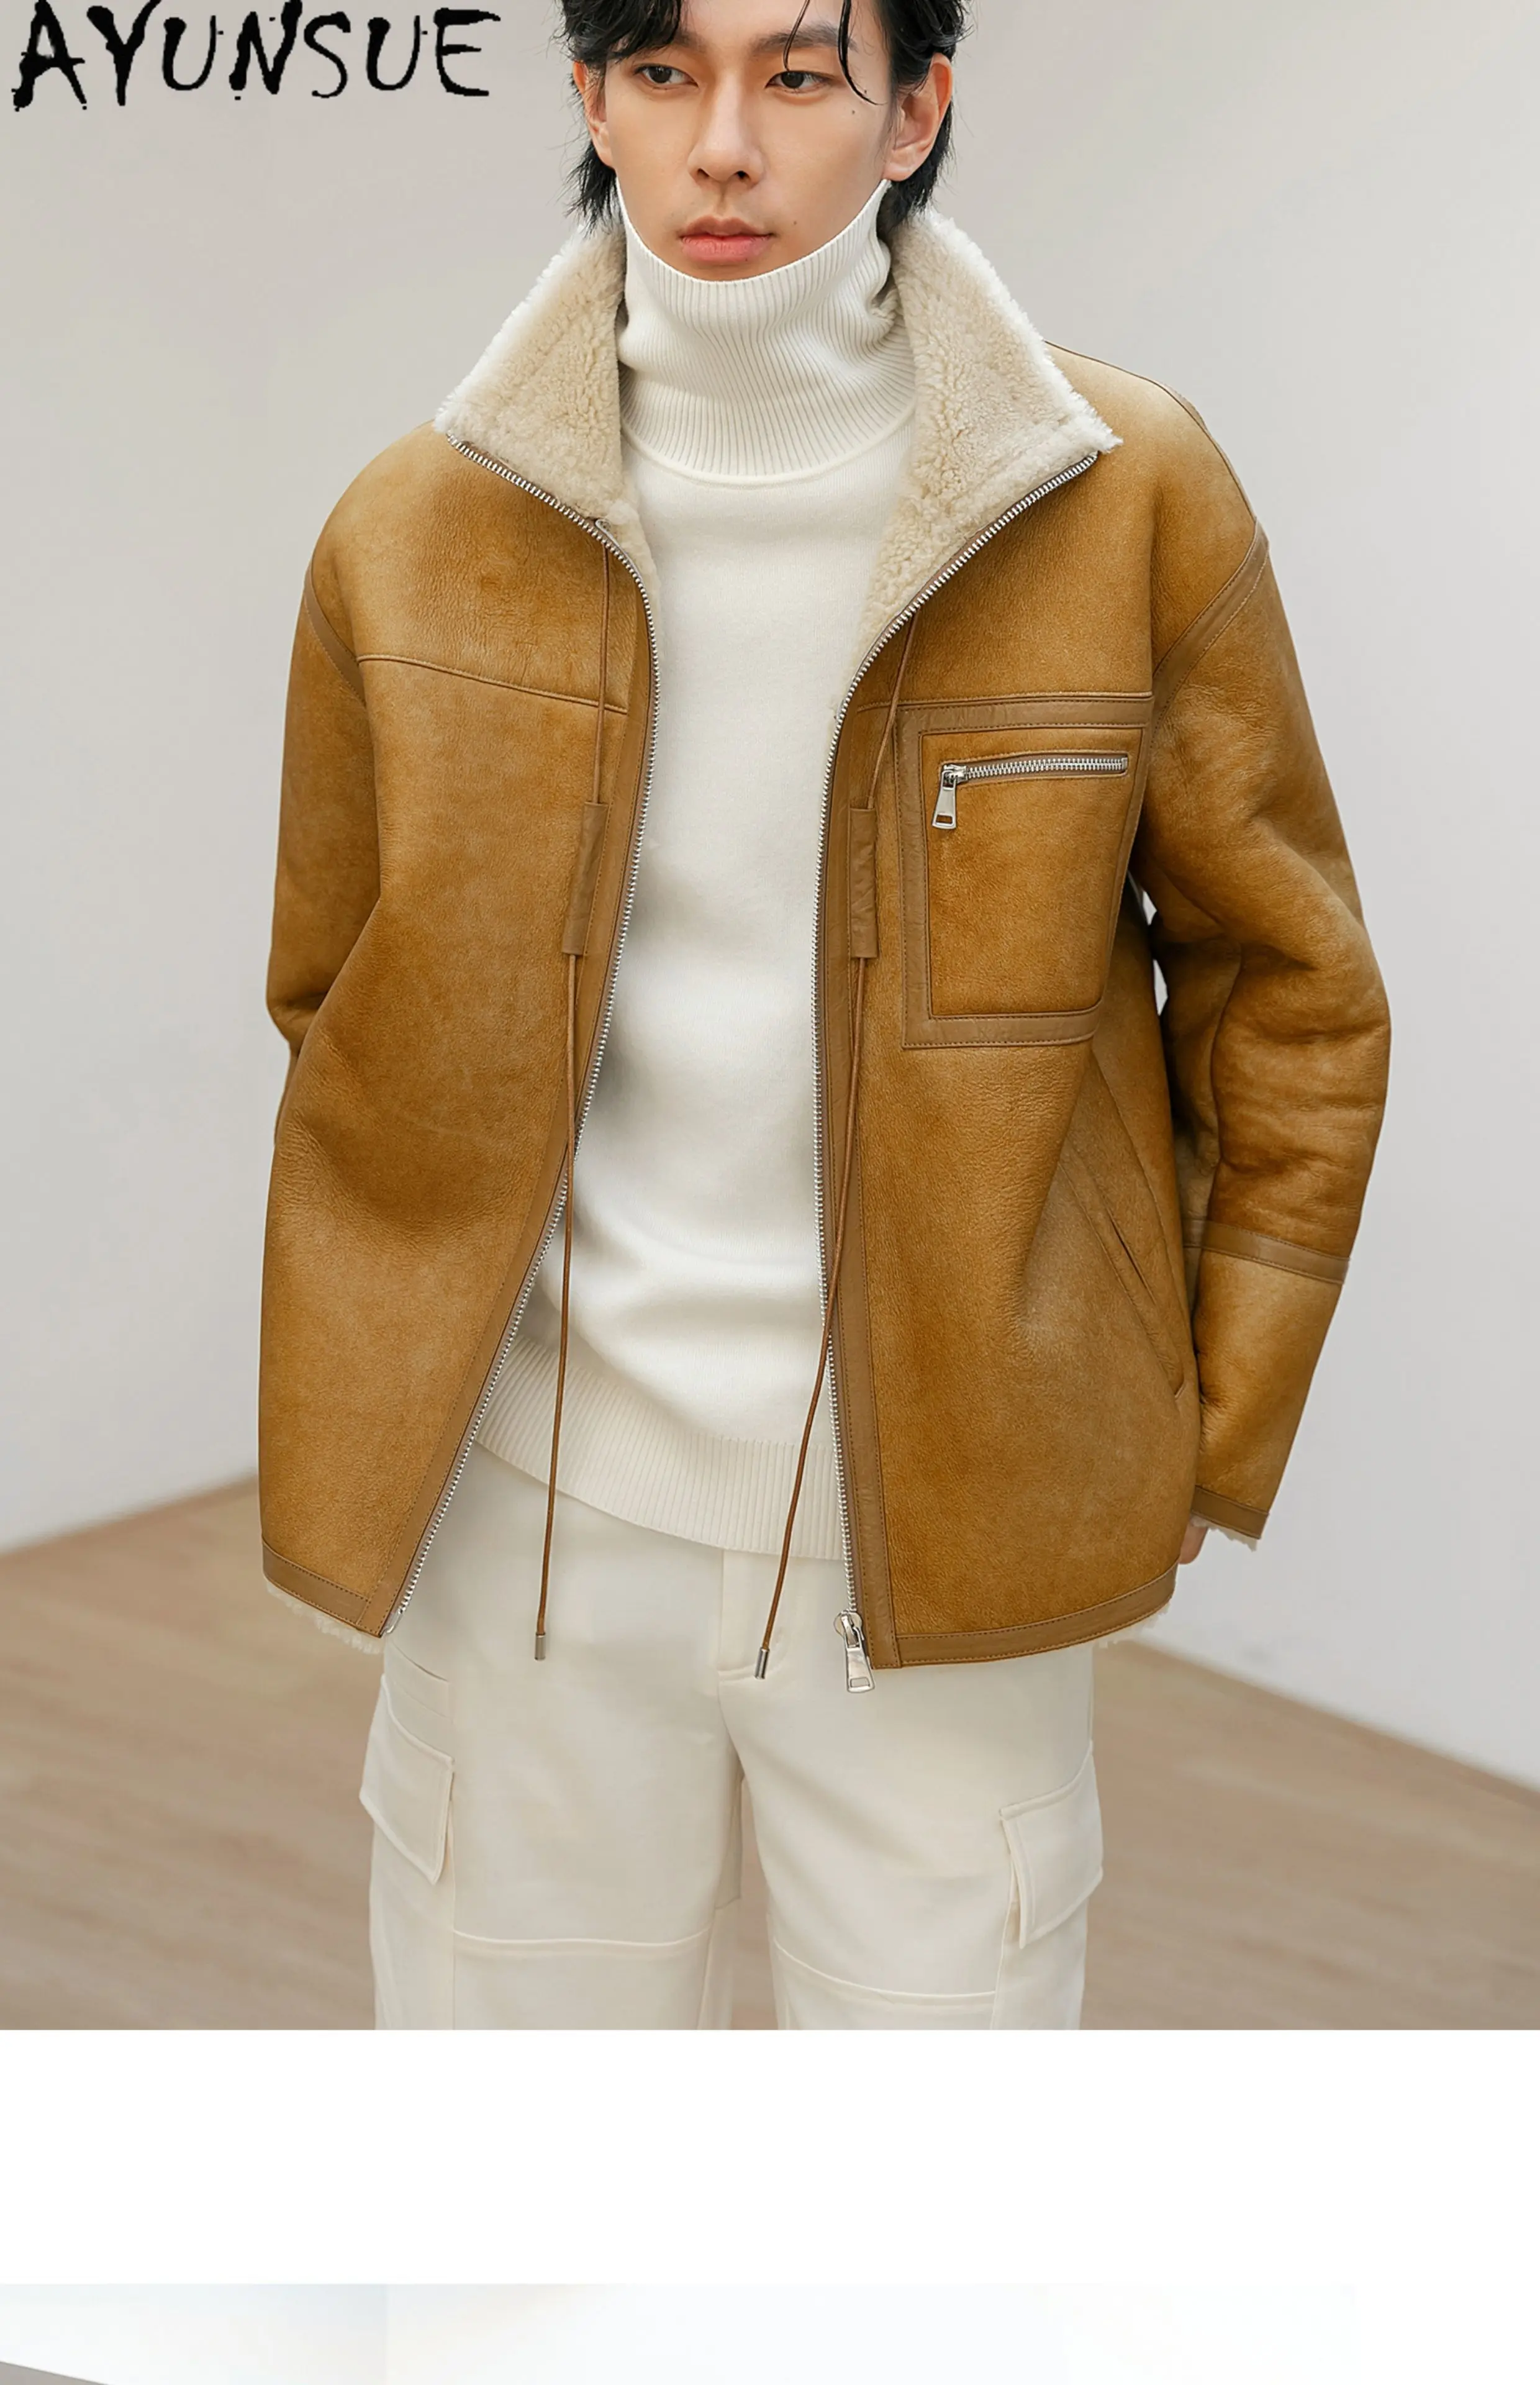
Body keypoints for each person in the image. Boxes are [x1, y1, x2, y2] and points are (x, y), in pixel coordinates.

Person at [260, 0, 1390, 2028]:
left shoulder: (1115, 496)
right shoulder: (410, 532)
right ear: (591, 98)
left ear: (915, 107)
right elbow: (339, 998)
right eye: (663, 72)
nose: (722, 143)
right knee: (521, 2177)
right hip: (525, 1525)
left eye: (795, 74)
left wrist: (1184, 1426)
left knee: (929, 2170)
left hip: (946, 1526)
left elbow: (1290, 987)